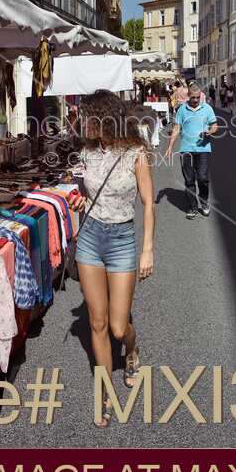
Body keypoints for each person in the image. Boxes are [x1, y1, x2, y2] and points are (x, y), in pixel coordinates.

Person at [71, 90, 155, 428]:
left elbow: (149, 203)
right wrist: (78, 199)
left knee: (120, 328)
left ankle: (132, 350)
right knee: (98, 323)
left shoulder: (136, 152)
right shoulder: (86, 154)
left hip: (122, 239)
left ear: (103, 118)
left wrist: (147, 248)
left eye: (86, 116)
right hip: (90, 238)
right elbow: (80, 190)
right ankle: (105, 393)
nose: (81, 123)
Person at [164, 84, 218, 219]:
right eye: (193, 97)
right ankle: (193, 207)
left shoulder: (207, 108)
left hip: (203, 149)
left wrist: (209, 131)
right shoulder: (182, 110)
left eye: (197, 97)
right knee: (189, 180)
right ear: (188, 96)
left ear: (200, 96)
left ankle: (204, 203)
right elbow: (176, 128)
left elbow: (215, 125)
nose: (195, 100)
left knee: (203, 178)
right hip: (186, 149)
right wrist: (170, 146)